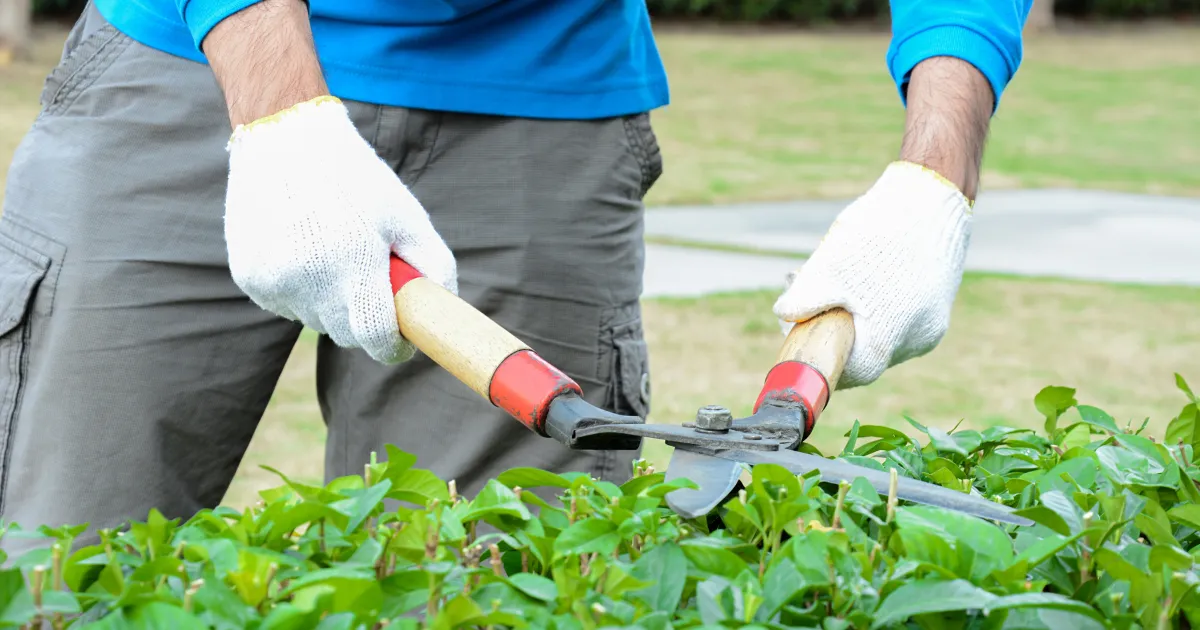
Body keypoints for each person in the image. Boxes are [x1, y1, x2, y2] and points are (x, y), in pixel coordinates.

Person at [0, 0, 1030, 546]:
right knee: (57, 557)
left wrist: (934, 179)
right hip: (183, 49)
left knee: (498, 577)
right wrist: (277, 110)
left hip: (543, 99)